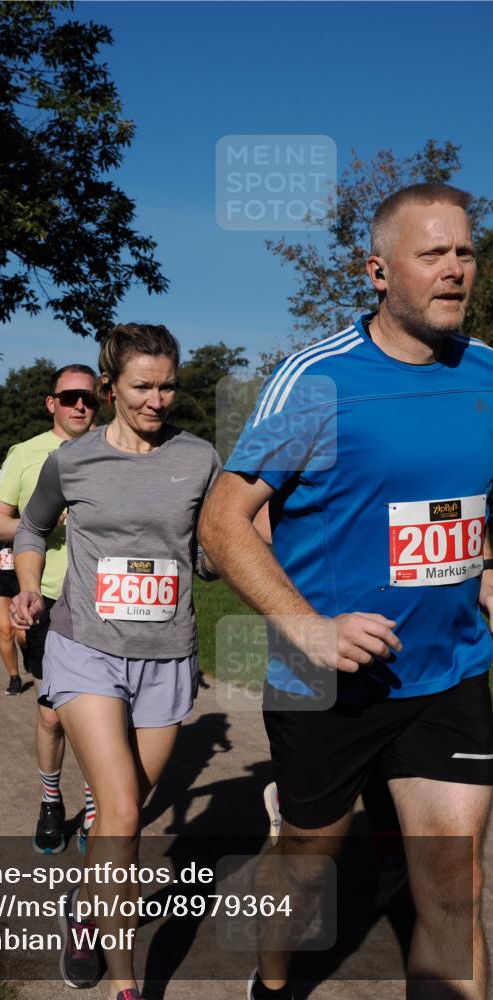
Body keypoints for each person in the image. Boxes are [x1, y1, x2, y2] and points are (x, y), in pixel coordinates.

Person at [199, 183, 493, 1000]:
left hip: (450, 672)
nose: (455, 269)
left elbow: (474, 505)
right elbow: (222, 521)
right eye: (432, 253)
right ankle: (270, 981)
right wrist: (310, 629)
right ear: (378, 270)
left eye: (466, 252)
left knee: (456, 886)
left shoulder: (487, 373)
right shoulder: (316, 380)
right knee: (308, 857)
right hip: (327, 683)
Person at [11, 324, 221, 999]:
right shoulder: (73, 460)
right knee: (124, 814)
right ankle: (124, 985)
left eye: (168, 386)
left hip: (167, 657)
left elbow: (209, 556)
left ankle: (84, 906)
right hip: (85, 649)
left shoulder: (200, 458)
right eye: (142, 387)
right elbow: (30, 526)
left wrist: (234, 548)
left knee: (115, 818)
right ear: (110, 389)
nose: (157, 401)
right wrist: (28, 586)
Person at [0, 364, 99, 852]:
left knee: (105, 715)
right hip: (48, 598)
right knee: (52, 715)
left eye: (89, 398)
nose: (80, 405)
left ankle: (95, 804)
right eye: (69, 397)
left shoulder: (117, 450)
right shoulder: (26, 454)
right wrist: (42, 521)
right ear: (51, 403)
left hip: (105, 599)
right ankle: (51, 800)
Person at [0, 482, 27, 695]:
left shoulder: (30, 507)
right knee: (5, 630)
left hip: (22, 574)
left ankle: (28, 653)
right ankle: (14, 677)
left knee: (24, 633)